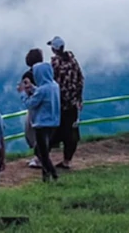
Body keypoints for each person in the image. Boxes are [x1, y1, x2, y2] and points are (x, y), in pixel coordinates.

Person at [19, 61, 61, 182]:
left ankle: (53, 175)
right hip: (53, 122)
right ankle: (46, 177)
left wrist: (23, 93)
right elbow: (41, 93)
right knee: (45, 152)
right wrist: (32, 88)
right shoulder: (54, 85)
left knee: (40, 152)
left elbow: (30, 104)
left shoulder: (42, 90)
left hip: (42, 124)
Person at [47, 36, 84, 170]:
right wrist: (79, 98)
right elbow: (80, 80)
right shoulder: (74, 61)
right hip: (72, 104)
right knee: (71, 134)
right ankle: (67, 161)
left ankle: (42, 158)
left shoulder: (55, 64)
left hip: (58, 105)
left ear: (54, 49)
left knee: (51, 131)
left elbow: (50, 81)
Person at [19, 48, 43, 169]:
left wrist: (23, 93)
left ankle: (38, 157)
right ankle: (41, 156)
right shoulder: (46, 73)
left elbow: (26, 90)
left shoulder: (28, 75)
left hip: (34, 108)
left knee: (32, 132)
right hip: (47, 107)